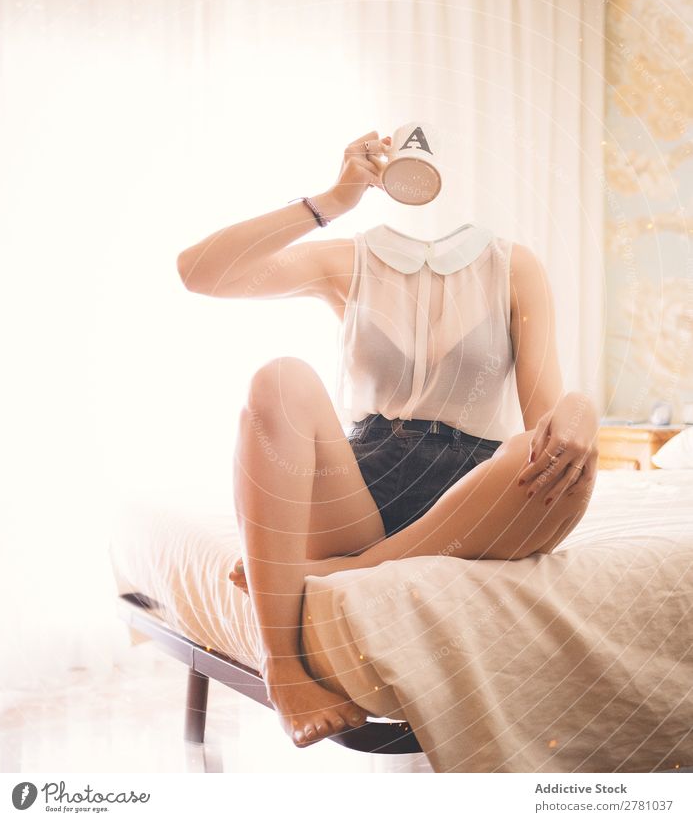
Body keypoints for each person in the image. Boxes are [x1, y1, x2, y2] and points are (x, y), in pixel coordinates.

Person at [176, 129, 599, 750]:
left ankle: (333, 571)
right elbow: (199, 271)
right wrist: (331, 200)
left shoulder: (513, 266)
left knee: (538, 457)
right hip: (364, 490)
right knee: (281, 378)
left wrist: (583, 411)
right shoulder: (349, 260)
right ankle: (284, 668)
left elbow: (542, 429)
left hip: (473, 492)